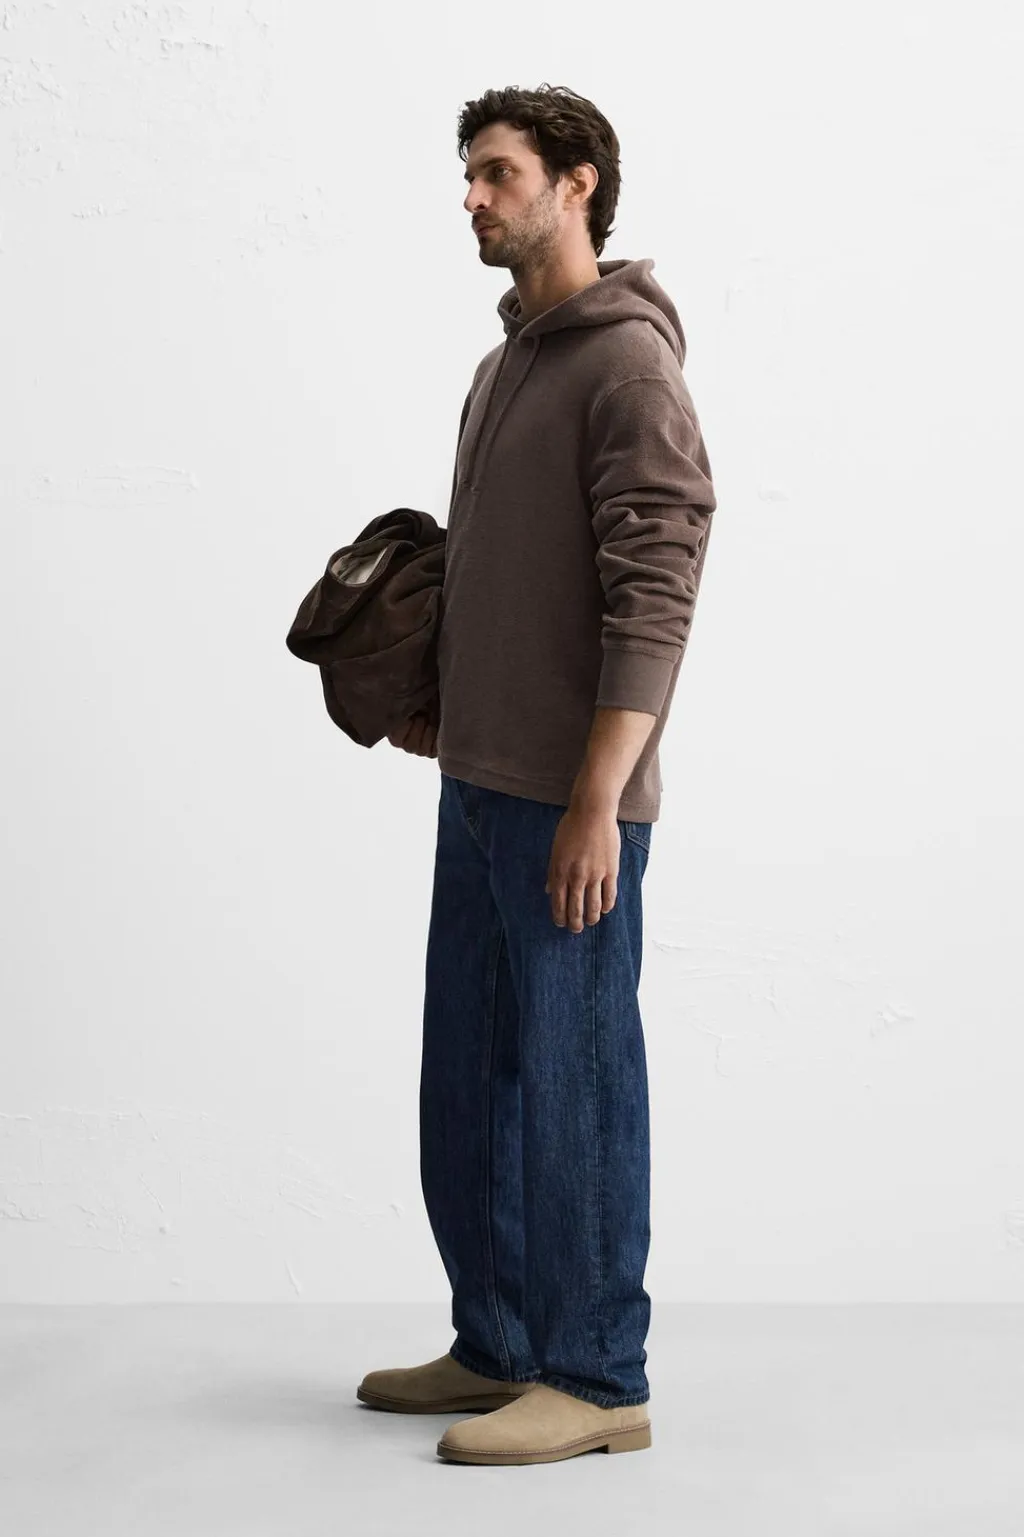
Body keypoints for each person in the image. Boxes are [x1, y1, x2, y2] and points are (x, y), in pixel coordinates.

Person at [360, 83, 717, 1467]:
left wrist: (597, 801)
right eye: (469, 173)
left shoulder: (627, 367)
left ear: (578, 185)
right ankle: (500, 1340)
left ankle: (600, 1375)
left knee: (576, 1083)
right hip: (480, 783)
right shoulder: (503, 365)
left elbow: (657, 589)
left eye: (498, 173)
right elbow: (506, 568)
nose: (472, 196)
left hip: (574, 803)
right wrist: (441, 699)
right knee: (471, 1079)